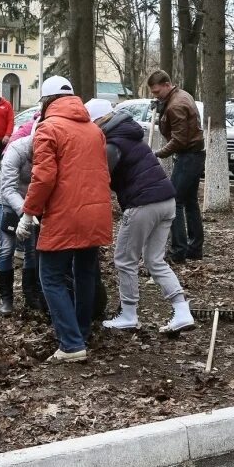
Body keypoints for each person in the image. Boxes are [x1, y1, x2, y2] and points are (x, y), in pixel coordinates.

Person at [16, 76, 112, 363]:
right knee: (85, 274)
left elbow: (43, 177)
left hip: (65, 215)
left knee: (51, 277)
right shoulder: (94, 130)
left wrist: (29, 212)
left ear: (46, 101)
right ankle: (80, 333)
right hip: (95, 213)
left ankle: (71, 344)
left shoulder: (49, 128)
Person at [85, 98, 195, 333]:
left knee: (125, 259)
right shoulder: (129, 133)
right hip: (166, 200)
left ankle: (128, 314)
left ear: (98, 121)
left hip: (143, 204)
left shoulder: (111, 144)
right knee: (155, 260)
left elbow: (99, 178)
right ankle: (182, 310)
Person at [0, 114, 48, 317]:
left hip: (32, 203)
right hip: (6, 201)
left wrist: (32, 211)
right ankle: (6, 298)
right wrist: (25, 213)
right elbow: (8, 188)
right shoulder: (17, 150)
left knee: (32, 249)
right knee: (7, 248)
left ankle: (30, 294)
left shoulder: (49, 151)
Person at [148, 70, 205, 263]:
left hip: (189, 156)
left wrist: (158, 153)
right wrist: (161, 106)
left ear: (166, 84)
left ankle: (179, 250)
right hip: (194, 154)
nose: (156, 96)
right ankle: (195, 248)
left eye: (157, 92)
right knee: (190, 201)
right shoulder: (180, 95)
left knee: (175, 201)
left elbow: (179, 139)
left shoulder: (176, 104)